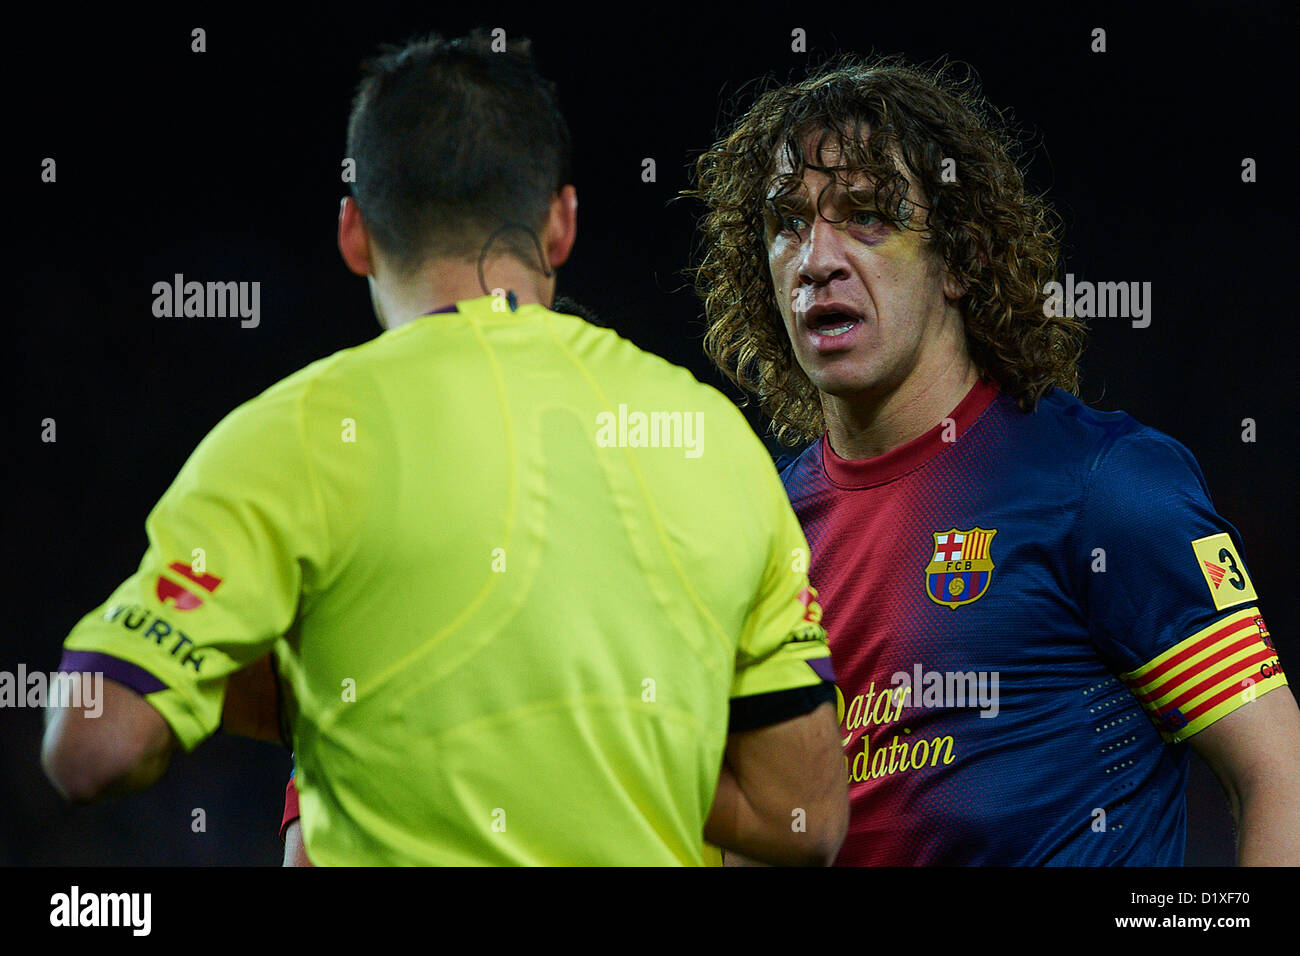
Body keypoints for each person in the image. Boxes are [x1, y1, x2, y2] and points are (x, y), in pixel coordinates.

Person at [41, 30, 848, 866]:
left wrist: (345, 708)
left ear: (355, 233)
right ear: (562, 222)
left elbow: (90, 745)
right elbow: (806, 818)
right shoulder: (712, 437)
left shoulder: (290, 434)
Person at [686, 56, 1300, 865]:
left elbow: (1276, 774)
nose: (817, 259)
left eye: (867, 215)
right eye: (788, 223)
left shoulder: (1102, 483)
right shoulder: (756, 534)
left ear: (963, 261)